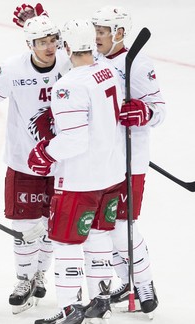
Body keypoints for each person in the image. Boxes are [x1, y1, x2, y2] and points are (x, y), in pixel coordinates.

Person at [27, 19, 126, 324]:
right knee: (98, 237)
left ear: (66, 47)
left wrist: (43, 152)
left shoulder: (68, 85)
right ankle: (100, 301)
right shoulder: (108, 71)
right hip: (111, 174)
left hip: (81, 179)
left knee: (66, 243)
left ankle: (70, 307)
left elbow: (74, 139)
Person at [0, 5, 71, 314]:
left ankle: (39, 273)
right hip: (23, 162)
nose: (49, 47)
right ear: (29, 45)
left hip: (62, 161)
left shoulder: (70, 62)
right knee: (24, 224)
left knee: (52, 223)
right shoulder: (12, 69)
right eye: (41, 41)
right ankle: (24, 278)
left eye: (53, 39)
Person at [92, 6, 165, 317]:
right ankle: (126, 281)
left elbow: (159, 109)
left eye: (101, 31)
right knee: (104, 227)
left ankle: (144, 282)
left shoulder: (137, 64)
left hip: (129, 162)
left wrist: (144, 112)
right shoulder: (91, 61)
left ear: (119, 33)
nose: (96, 37)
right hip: (99, 160)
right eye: (95, 30)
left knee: (122, 226)